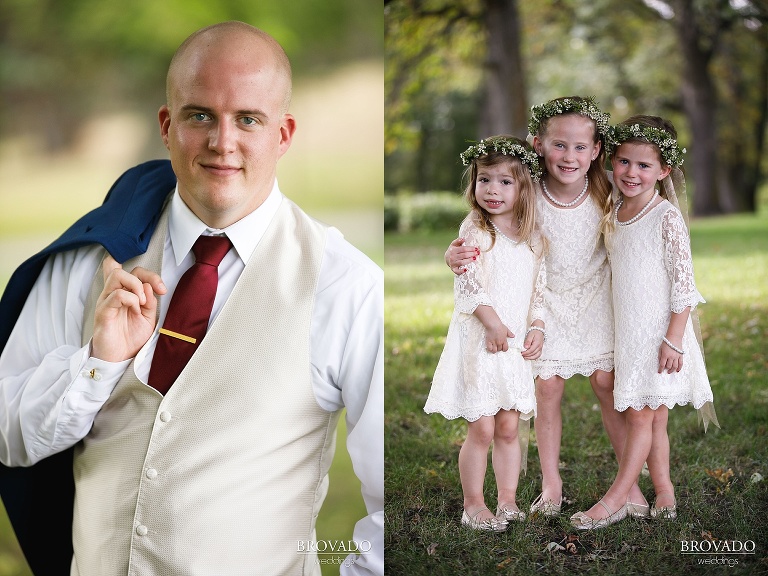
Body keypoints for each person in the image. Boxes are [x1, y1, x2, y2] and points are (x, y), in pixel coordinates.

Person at [0, 21, 383, 576]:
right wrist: (96, 365)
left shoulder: (345, 285)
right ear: (166, 125)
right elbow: (9, 437)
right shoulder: (91, 260)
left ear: (283, 134)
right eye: (200, 115)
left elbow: (389, 504)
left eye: (248, 119)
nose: (222, 143)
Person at [446, 96, 646, 515]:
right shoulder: (525, 190)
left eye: (580, 147)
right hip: (544, 301)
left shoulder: (606, 189)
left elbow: (642, 221)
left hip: (594, 296)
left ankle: (628, 484)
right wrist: (453, 254)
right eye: (559, 145)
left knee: (606, 383)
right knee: (548, 386)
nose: (569, 157)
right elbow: (487, 235)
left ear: (596, 151)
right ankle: (551, 484)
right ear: (538, 144)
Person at [570, 116, 718, 529]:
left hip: (659, 334)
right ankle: (664, 487)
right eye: (623, 162)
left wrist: (673, 339)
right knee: (654, 419)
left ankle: (616, 498)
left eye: (644, 165)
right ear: (611, 162)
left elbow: (684, 284)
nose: (631, 172)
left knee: (641, 416)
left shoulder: (665, 217)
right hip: (628, 330)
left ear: (664, 170)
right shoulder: (615, 208)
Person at [424, 136, 547, 531]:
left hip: (513, 344)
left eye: (505, 182)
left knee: (509, 427)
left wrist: (537, 326)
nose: (493, 190)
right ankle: (473, 504)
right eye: (484, 180)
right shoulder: (476, 228)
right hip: (481, 340)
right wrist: (492, 322)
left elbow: (540, 289)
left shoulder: (533, 237)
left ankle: (507, 500)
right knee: (482, 427)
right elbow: (468, 282)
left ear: (523, 187)